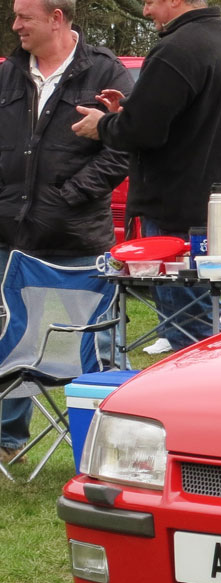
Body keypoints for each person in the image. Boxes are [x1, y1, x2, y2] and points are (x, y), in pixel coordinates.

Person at [70, 0, 221, 355]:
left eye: (151, 2)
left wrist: (103, 125)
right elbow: (184, 117)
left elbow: (144, 132)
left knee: (189, 336)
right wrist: (130, 110)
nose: (146, 11)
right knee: (201, 321)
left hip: (175, 212)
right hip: (215, 207)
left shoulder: (176, 49)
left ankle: (193, 405)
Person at [0, 0, 132, 463]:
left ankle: (116, 444)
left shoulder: (105, 72)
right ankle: (8, 440)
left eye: (24, 17)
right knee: (8, 333)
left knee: (98, 336)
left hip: (77, 236)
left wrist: (71, 195)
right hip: (10, 235)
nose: (15, 25)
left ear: (57, 17)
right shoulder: (9, 73)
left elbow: (125, 145)